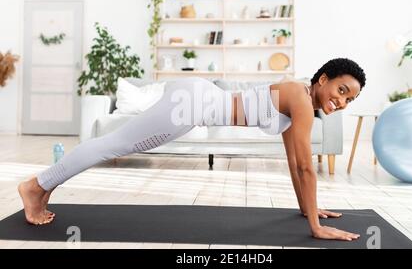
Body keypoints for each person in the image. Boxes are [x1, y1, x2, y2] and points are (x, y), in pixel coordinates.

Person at [18, 58, 365, 241]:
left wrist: (310, 209)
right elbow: (306, 167)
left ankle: (42, 187)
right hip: (193, 104)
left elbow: (294, 163)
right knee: (114, 145)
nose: (343, 101)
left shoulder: (297, 101)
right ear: (323, 80)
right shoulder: (301, 101)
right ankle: (35, 186)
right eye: (341, 89)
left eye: (351, 98)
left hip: (195, 99)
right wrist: (317, 228)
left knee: (114, 143)